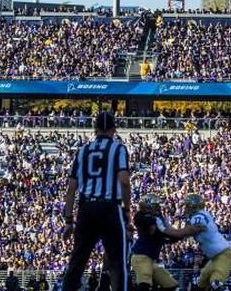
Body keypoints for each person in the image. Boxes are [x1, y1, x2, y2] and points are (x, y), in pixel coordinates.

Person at [60, 111, 133, 291]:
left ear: (95, 129)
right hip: (109, 207)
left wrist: (69, 220)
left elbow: (71, 188)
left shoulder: (83, 151)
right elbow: (124, 180)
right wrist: (127, 210)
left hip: (86, 208)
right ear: (114, 129)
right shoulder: (119, 149)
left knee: (77, 262)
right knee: (117, 263)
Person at [178, 193, 231, 291]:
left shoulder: (198, 216)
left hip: (224, 254)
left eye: (187, 206)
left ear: (193, 206)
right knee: (202, 281)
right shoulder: (197, 216)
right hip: (215, 257)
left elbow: (198, 227)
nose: (185, 208)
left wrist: (178, 233)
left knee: (216, 281)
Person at [130, 194, 182, 291]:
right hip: (141, 256)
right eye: (156, 205)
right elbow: (154, 230)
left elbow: (167, 233)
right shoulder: (141, 216)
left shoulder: (159, 218)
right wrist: (175, 235)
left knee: (171, 286)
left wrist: (178, 235)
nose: (158, 207)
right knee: (144, 285)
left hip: (151, 260)